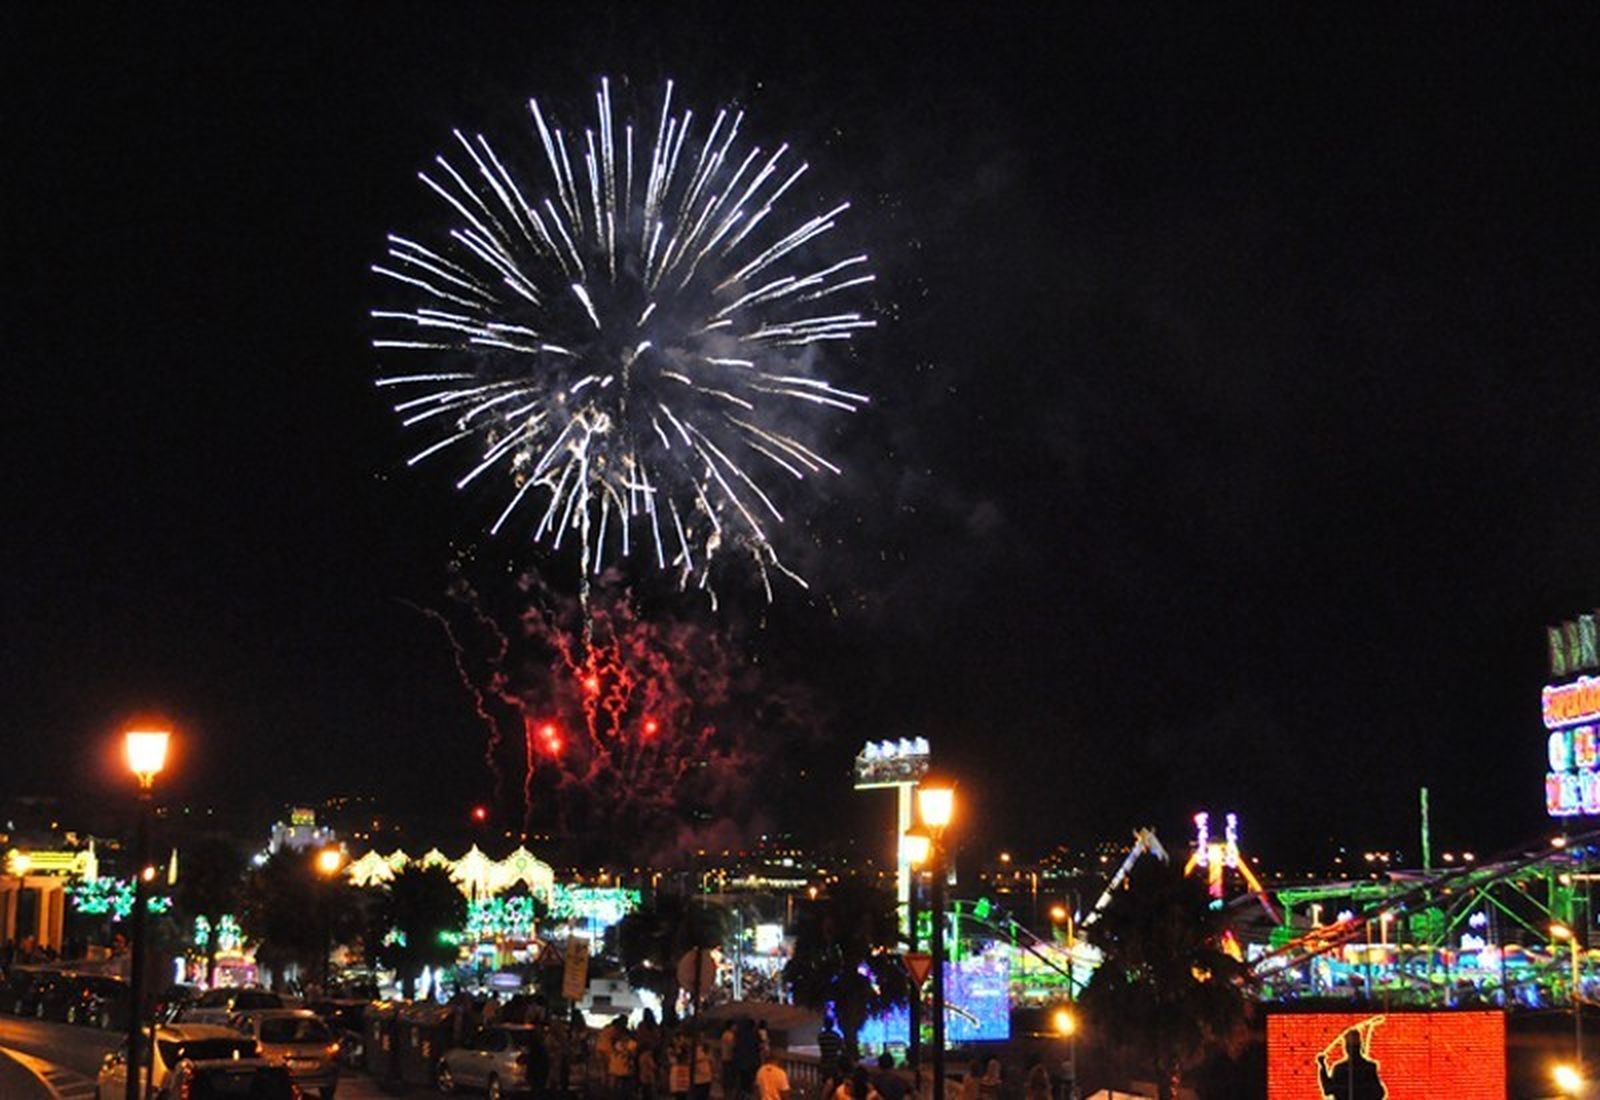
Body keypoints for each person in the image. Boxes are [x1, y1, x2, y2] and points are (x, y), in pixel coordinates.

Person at [1317, 1028, 1387, 1100]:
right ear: (1360, 1046)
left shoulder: (1340, 1069)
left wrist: (1322, 1066)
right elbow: (1379, 1094)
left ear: (1346, 1048)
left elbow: (1328, 1089)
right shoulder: (1369, 1067)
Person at [692, 1035, 716, 1100]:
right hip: (698, 1077)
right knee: (699, 1095)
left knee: (705, 1094)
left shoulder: (707, 1049)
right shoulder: (694, 1049)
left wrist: (713, 1072)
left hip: (707, 1076)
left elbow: (711, 1061)